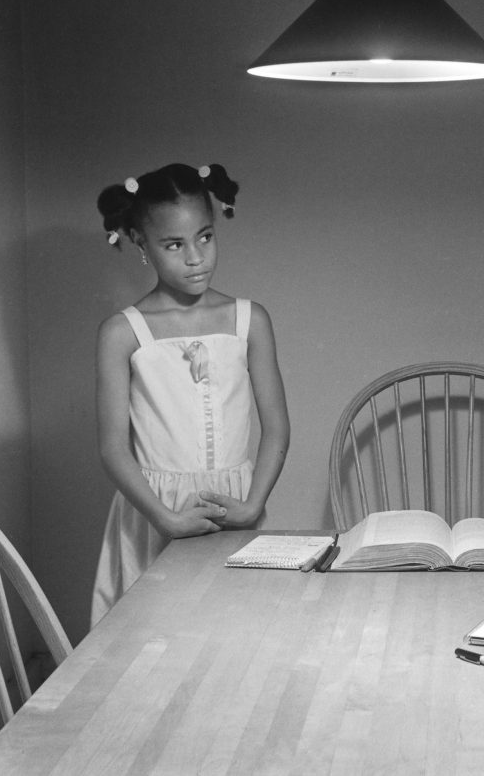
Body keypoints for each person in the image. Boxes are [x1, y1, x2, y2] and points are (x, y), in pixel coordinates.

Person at [90, 162, 290, 625]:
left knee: (236, 638)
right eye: (174, 245)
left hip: (235, 509)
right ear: (140, 242)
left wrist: (254, 503)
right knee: (147, 641)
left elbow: (276, 428)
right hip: (154, 513)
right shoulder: (122, 333)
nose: (195, 257)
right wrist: (164, 517)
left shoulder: (250, 320)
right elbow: (113, 448)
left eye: (205, 237)